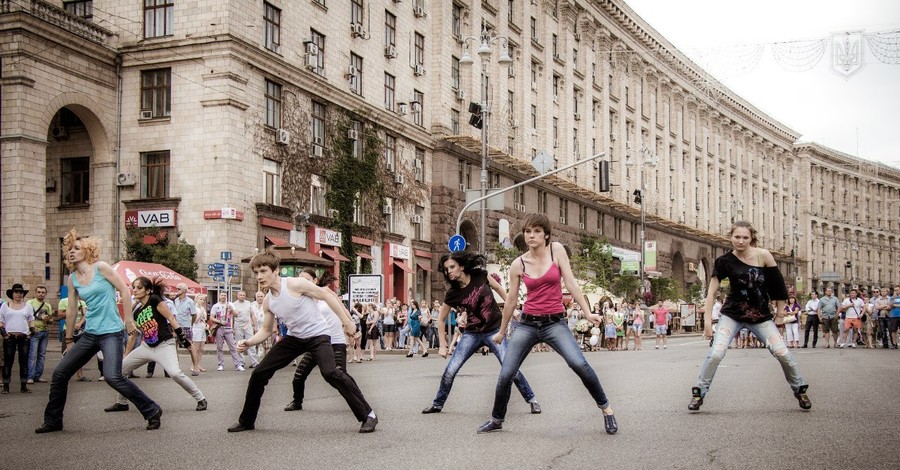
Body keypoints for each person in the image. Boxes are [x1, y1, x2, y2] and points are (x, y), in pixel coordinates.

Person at [479, 214, 617, 435]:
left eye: (536, 231)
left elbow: (571, 283)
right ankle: (497, 419)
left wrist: (588, 312)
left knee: (579, 364)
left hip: (555, 323)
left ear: (546, 235)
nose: (531, 236)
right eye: (527, 231)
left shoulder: (557, 250)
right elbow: (511, 300)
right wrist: (502, 331)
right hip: (527, 324)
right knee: (506, 373)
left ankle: (607, 410)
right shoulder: (518, 263)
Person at [227, 250, 377, 433]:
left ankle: (368, 415)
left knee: (331, 373)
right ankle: (247, 421)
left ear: (275, 271)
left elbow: (327, 295)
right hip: (294, 338)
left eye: (263, 271)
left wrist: (347, 322)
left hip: (318, 336)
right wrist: (249, 342)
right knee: (259, 374)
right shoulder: (268, 301)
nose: (259, 276)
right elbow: (267, 330)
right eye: (256, 272)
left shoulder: (295, 284)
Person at [36, 229, 162, 433]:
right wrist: (69, 340)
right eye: (69, 249)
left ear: (87, 251)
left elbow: (124, 290)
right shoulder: (73, 279)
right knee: (60, 373)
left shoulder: (101, 268)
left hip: (111, 332)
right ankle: (53, 421)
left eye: (76, 248)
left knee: (113, 376)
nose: (71, 252)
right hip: (90, 333)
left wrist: (128, 319)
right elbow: (70, 310)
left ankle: (151, 409)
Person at [689, 221, 810, 412]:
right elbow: (711, 293)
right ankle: (699, 393)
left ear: (751, 238)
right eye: (737, 237)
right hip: (732, 314)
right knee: (716, 353)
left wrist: (779, 315)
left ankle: (799, 389)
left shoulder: (763, 256)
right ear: (730, 237)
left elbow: (778, 287)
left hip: (761, 316)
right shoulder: (724, 262)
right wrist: (706, 322)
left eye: (745, 237)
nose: (741, 241)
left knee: (782, 353)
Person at [421, 252, 540, 415]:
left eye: (452, 267)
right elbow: (441, 320)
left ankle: (532, 400)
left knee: (509, 367)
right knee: (451, 369)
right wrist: (442, 345)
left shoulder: (480, 275)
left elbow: (498, 288)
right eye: (446, 269)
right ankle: (437, 403)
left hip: (494, 330)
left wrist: (513, 310)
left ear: (461, 267)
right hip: (472, 333)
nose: (449, 271)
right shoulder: (452, 293)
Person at [103, 277, 207, 413]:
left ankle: (200, 398)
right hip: (147, 347)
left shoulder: (155, 300)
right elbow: (133, 333)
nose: (135, 290)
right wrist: (126, 354)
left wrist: (183, 338)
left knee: (175, 373)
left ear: (148, 290)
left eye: (139, 287)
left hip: (164, 344)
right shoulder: (138, 311)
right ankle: (122, 402)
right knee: (121, 369)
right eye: (134, 287)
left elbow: (171, 318)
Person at [284, 269, 354, 411]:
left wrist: (351, 327)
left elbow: (343, 310)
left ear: (315, 281)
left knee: (341, 376)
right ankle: (297, 401)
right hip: (316, 342)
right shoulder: (301, 298)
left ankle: (358, 401)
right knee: (299, 375)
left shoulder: (326, 292)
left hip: (335, 341)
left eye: (307, 280)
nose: (303, 283)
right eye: (300, 280)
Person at [1, 283, 35, 394]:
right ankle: (6, 386)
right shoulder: (5, 305)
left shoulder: (28, 306)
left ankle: (23, 386)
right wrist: (4, 333)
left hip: (24, 336)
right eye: (16, 292)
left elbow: (31, 319)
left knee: (24, 361)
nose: (18, 294)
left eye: (21, 292)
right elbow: (1, 321)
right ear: (12, 294)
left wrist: (32, 330)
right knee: (8, 361)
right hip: (10, 336)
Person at [209, 292, 243, 371]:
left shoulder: (230, 304)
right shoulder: (215, 306)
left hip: (229, 328)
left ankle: (237, 365)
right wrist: (219, 321)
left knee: (233, 347)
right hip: (219, 328)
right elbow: (211, 318)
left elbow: (236, 314)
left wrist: (231, 309)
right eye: (222, 295)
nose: (223, 297)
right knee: (219, 347)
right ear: (219, 296)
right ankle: (220, 364)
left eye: (225, 295)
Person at [27, 285, 53, 384]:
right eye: (39, 292)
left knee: (42, 355)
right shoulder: (30, 303)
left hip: (44, 332)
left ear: (45, 294)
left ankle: (38, 376)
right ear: (35, 293)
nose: (41, 294)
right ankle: (30, 376)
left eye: (43, 292)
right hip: (34, 332)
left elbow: (51, 320)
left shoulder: (48, 305)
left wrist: (48, 319)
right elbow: (27, 317)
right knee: (32, 355)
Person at [231, 291, 259, 368]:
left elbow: (252, 315)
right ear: (237, 296)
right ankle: (241, 362)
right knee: (239, 343)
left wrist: (255, 325)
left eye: (244, 295)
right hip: (238, 325)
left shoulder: (248, 303)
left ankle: (254, 362)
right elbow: (232, 317)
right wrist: (232, 327)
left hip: (248, 324)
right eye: (241, 295)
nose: (242, 296)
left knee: (251, 342)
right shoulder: (234, 304)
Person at [190, 294, 208, 375]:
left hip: (202, 328)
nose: (202, 301)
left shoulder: (203, 308)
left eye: (203, 300)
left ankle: (199, 365)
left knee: (201, 349)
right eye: (201, 299)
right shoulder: (194, 308)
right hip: (196, 328)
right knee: (196, 349)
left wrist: (206, 325)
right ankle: (194, 365)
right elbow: (195, 320)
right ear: (196, 299)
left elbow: (205, 319)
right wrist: (200, 313)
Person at [888, 285, 900, 349]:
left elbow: (893, 306)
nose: (896, 291)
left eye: (897, 290)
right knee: (893, 330)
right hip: (894, 315)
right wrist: (894, 299)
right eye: (895, 290)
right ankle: (894, 344)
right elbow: (890, 306)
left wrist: (895, 305)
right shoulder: (892, 297)